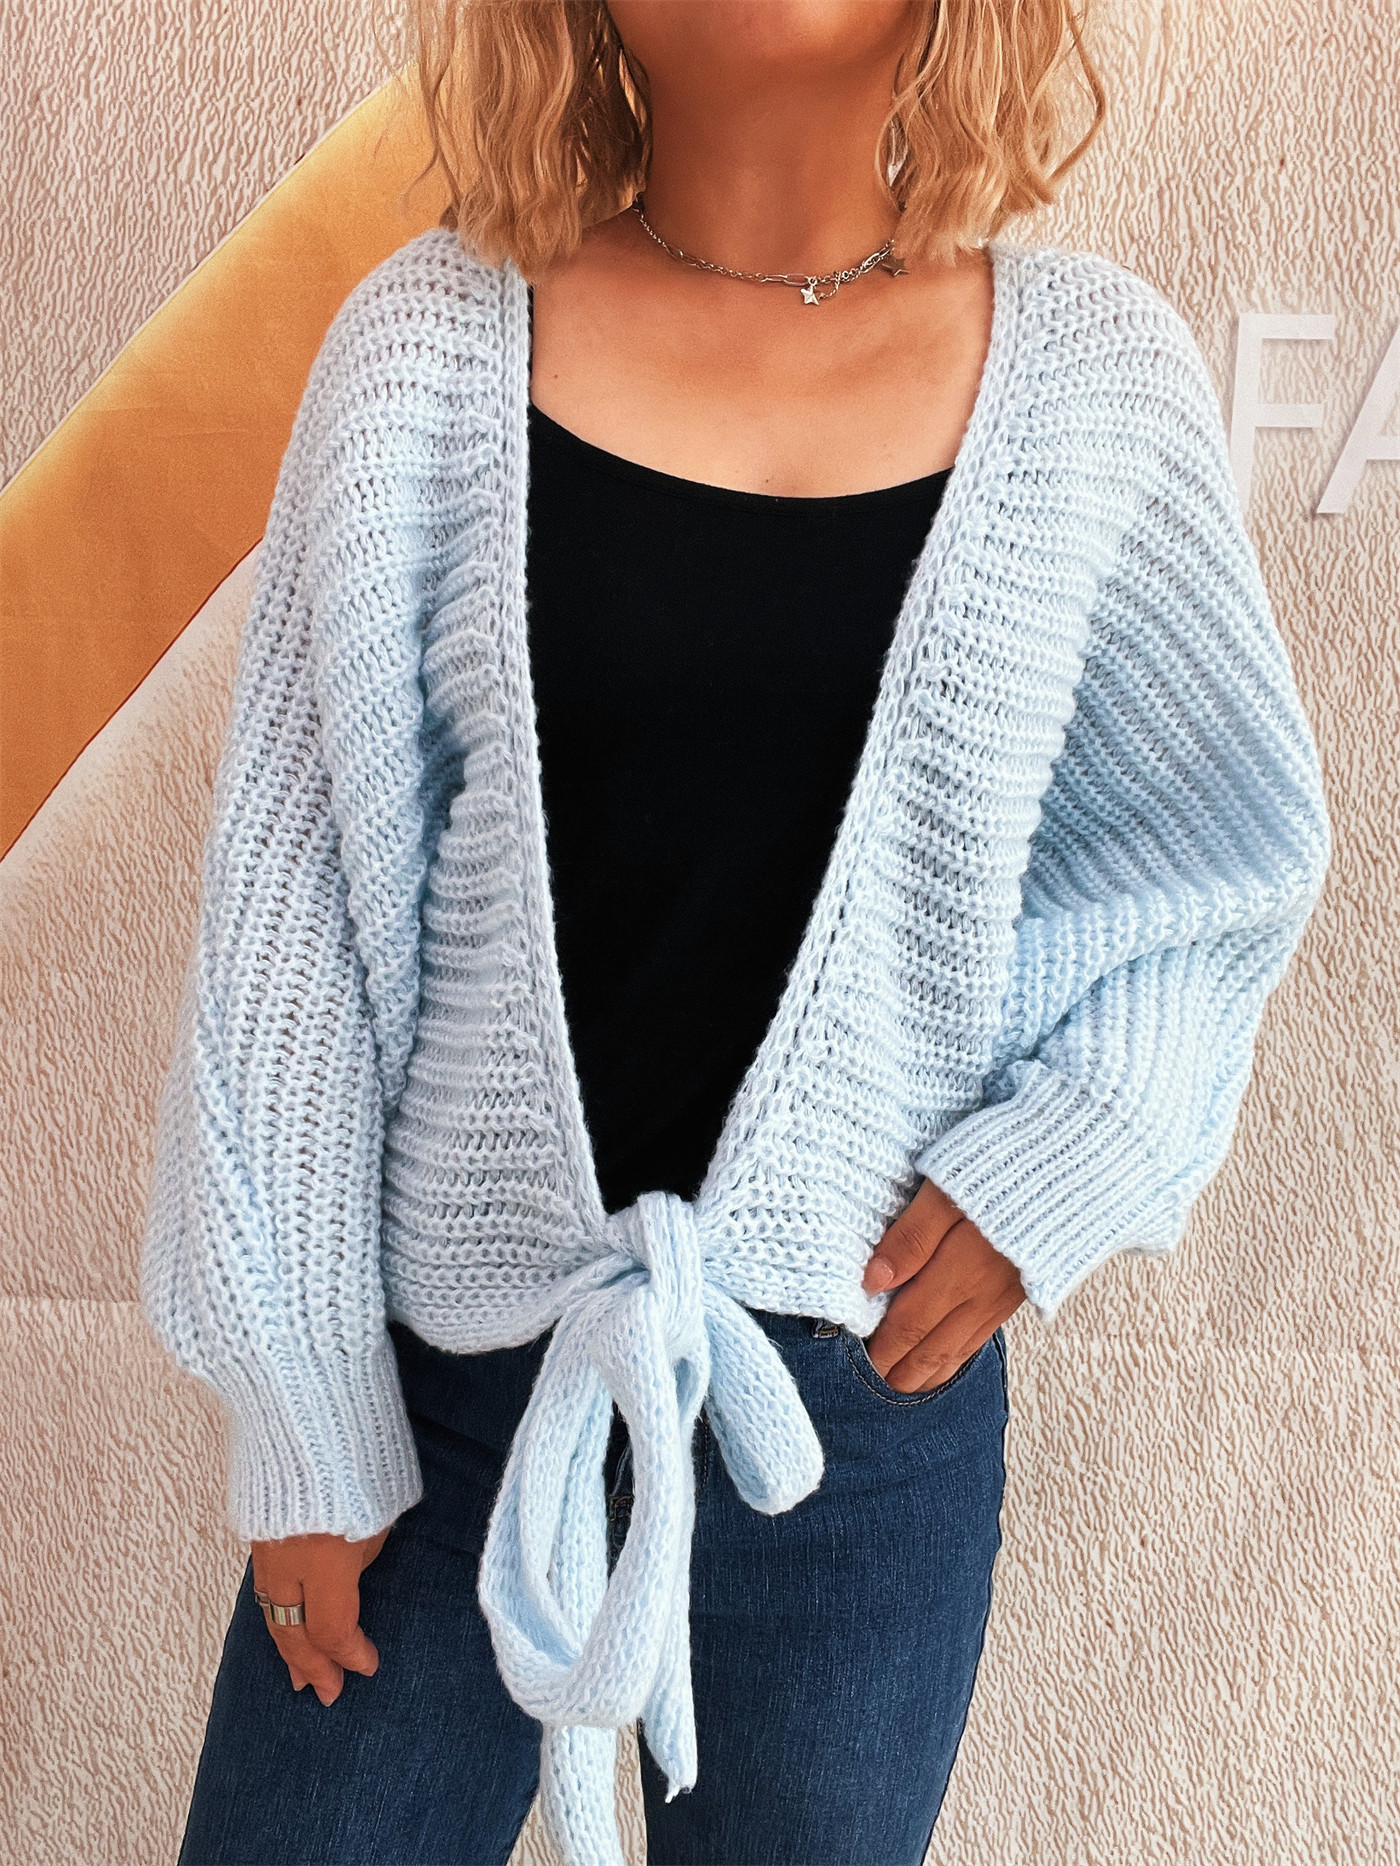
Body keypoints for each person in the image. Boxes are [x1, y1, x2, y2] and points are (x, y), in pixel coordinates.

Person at [140, 3, 1331, 1863]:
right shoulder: (429, 351)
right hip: (444, 1408)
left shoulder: (1097, 386)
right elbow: (295, 934)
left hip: (853, 1419)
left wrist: (1068, 1157)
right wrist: (300, 1407)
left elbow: (1213, 861)